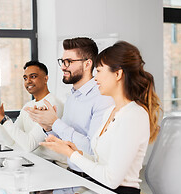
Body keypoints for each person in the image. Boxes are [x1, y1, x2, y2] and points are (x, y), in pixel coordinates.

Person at [40, 41, 161, 194]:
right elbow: (98, 159)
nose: (95, 77)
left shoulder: (134, 115)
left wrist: (73, 155)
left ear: (118, 74)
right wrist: (71, 149)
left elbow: (112, 178)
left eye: (100, 70)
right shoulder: (111, 111)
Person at [25, 37, 114, 177]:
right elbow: (64, 140)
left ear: (87, 64)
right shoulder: (72, 97)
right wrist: (48, 126)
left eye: (69, 62)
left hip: (92, 177)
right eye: (62, 61)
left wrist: (55, 122)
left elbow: (92, 150)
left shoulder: (102, 98)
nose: (62, 67)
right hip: (72, 172)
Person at [0, 61, 66, 166]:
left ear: (46, 78)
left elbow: (29, 145)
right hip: (35, 162)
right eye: (25, 78)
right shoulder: (28, 106)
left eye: (33, 76)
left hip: (54, 166)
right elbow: (10, 141)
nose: (28, 81)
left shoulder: (53, 104)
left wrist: (4, 120)